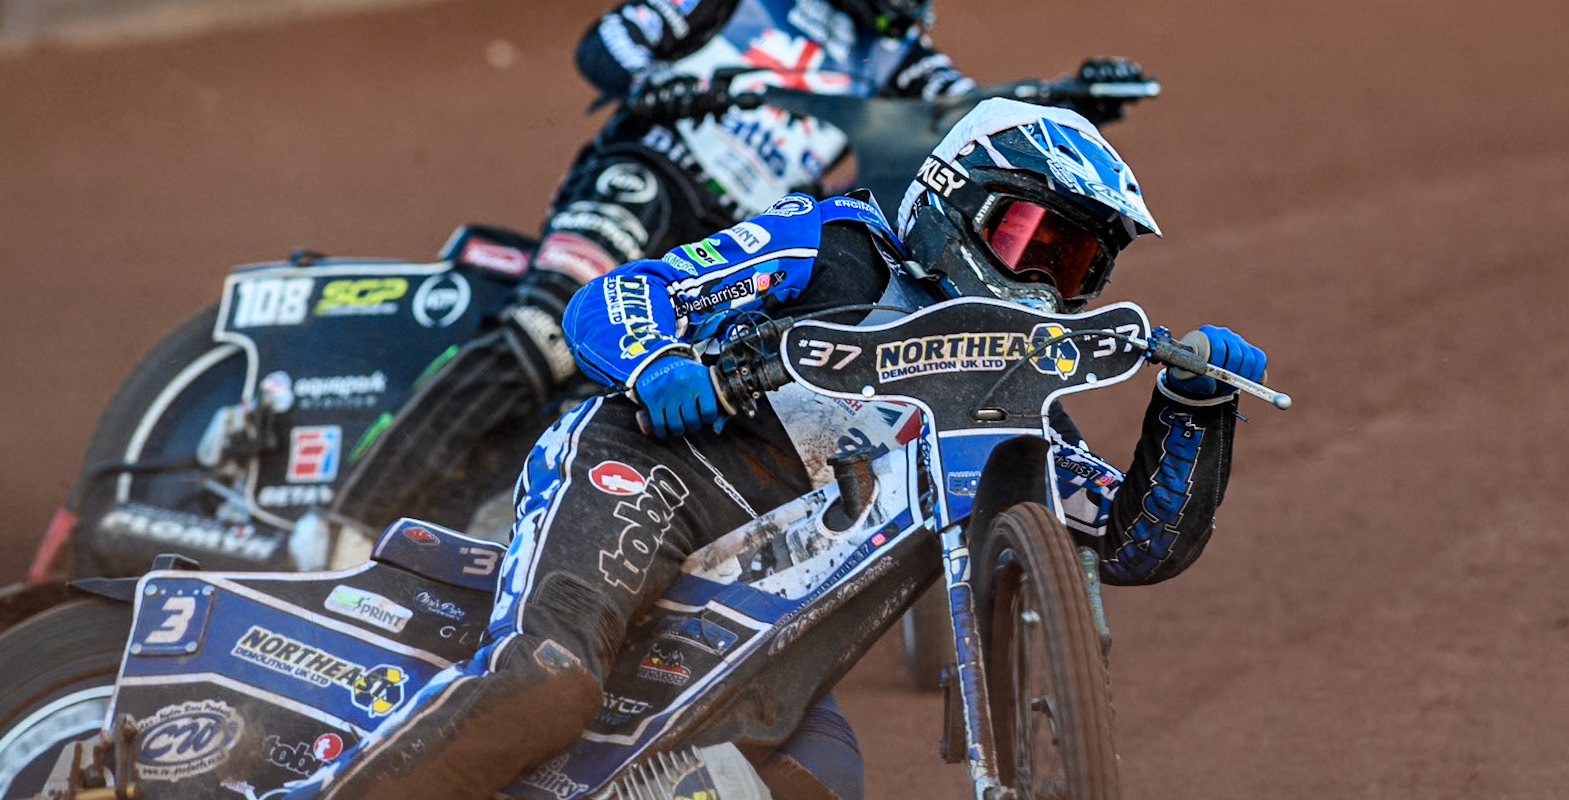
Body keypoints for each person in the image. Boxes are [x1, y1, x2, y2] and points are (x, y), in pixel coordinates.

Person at [287, 100, 1268, 799]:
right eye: (1031, 240)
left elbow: (1135, 545)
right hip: (653, 474)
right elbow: (622, 294)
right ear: (950, 199)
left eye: (1078, 262)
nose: (1048, 280)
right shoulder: (835, 246)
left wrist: (1191, 410)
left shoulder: (1015, 404)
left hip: (772, 633)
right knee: (550, 677)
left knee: (817, 783)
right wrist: (664, 360)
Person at [333, 0, 1147, 532]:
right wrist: (678, 79)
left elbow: (960, 117)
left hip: (743, 236)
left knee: (742, 396)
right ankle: (343, 522)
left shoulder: (896, 55)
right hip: (651, 179)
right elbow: (604, 50)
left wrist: (1060, 95)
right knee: (546, 330)